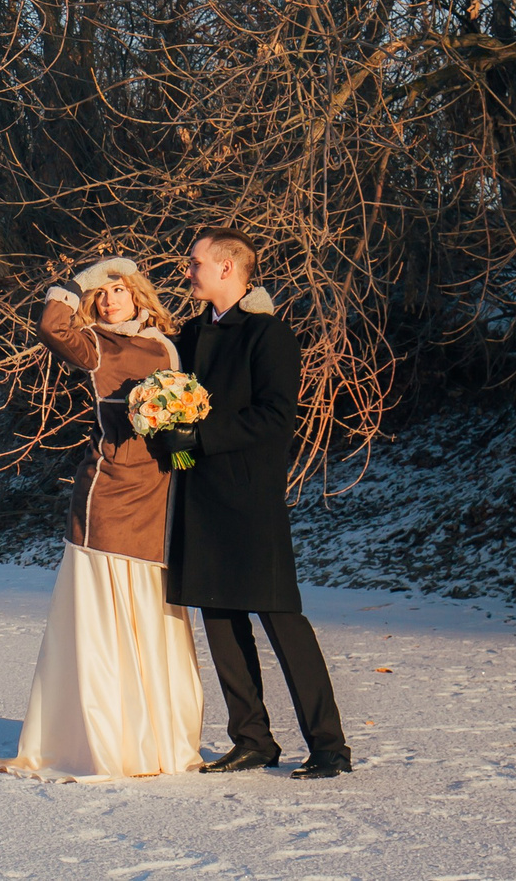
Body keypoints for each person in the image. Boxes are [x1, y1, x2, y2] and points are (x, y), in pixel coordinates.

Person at [0, 257, 207, 780]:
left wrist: (186, 459)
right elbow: (51, 328)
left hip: (160, 490)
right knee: (104, 616)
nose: (109, 301)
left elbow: (197, 395)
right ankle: (106, 740)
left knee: (153, 611)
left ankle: (159, 738)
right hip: (109, 492)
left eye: (118, 290)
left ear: (138, 294)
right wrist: (80, 280)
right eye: (100, 295)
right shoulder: (95, 344)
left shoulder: (170, 345)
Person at [156, 227, 352, 780]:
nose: (187, 272)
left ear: (227, 268)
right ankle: (252, 740)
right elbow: (174, 414)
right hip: (199, 497)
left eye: (194, 263)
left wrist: (199, 439)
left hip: (249, 500)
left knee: (281, 617)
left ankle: (329, 746)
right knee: (219, 617)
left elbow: (274, 418)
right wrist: (180, 455)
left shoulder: (269, 335)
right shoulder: (189, 334)